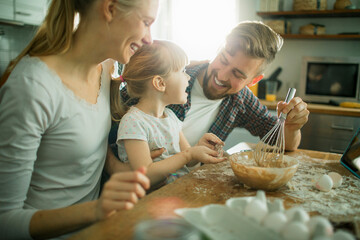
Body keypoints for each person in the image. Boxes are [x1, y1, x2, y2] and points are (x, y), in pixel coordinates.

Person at [0, 0, 159, 239]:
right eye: (146, 23)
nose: (150, 39)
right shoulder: (33, 87)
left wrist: (120, 169)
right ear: (110, 9)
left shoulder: (106, 67)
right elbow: (5, 221)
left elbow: (83, 134)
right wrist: (96, 209)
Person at [106, 21, 309, 175]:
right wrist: (116, 167)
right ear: (218, 49)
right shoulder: (169, 76)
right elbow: (99, 130)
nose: (221, 76)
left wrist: (292, 126)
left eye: (237, 74)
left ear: (253, 80)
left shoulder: (242, 101)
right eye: (223, 59)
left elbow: (283, 143)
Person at [111, 40, 226, 190]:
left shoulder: (171, 117)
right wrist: (189, 155)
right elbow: (145, 174)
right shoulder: (133, 122)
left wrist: (199, 148)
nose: (188, 77)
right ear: (160, 83)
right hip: (149, 203)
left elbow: (188, 161)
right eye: (182, 71)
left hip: (176, 192)